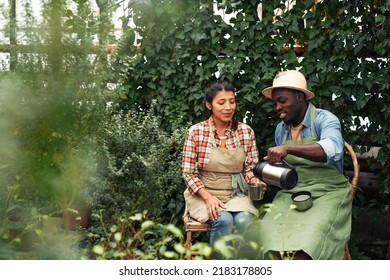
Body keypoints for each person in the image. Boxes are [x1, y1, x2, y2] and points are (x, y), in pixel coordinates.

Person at [258, 70, 352, 260]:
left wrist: (288, 148)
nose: (277, 107)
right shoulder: (281, 129)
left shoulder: (325, 120)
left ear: (300, 96)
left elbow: (331, 148)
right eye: (275, 102)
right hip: (293, 191)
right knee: (265, 234)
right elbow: (286, 169)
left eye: (282, 100)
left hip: (329, 192)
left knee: (310, 237)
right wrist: (269, 174)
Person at [181, 80, 263, 257]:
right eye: (221, 102)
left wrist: (255, 180)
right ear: (209, 105)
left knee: (244, 221)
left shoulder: (245, 132)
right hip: (203, 194)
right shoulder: (196, 132)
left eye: (232, 101)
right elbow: (188, 173)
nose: (228, 107)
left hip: (235, 193)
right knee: (223, 220)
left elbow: (250, 169)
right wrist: (208, 198)